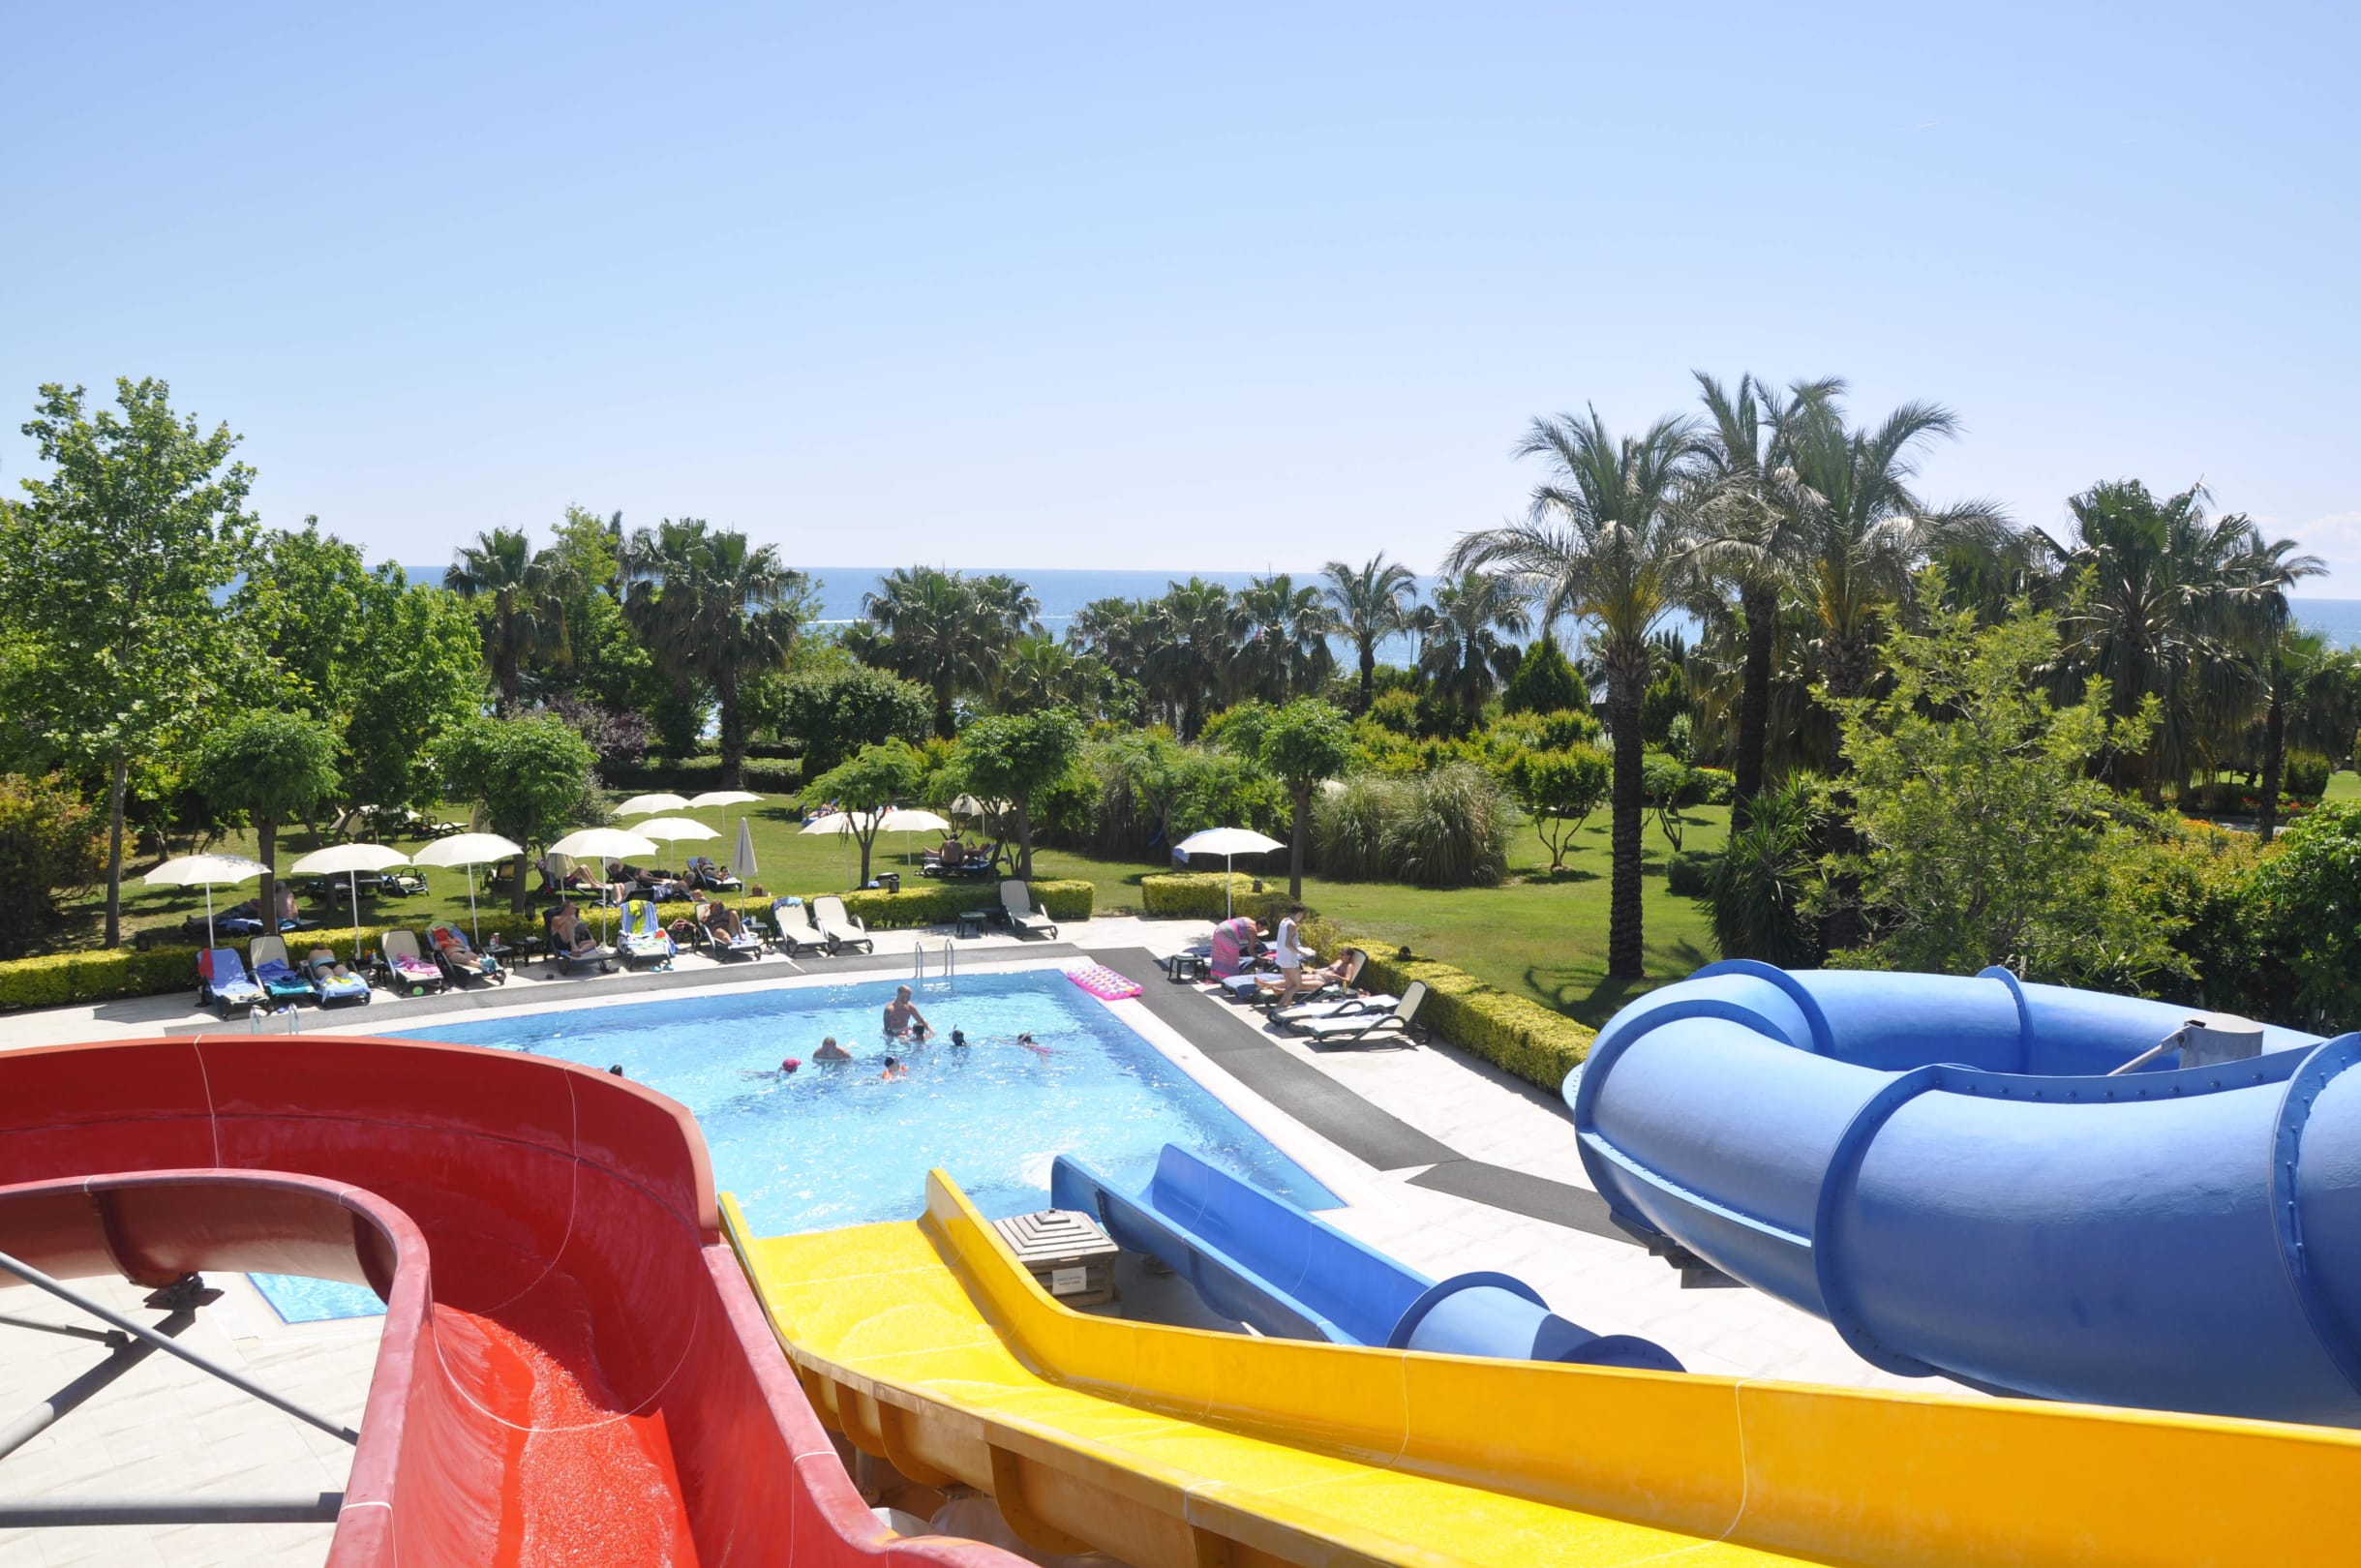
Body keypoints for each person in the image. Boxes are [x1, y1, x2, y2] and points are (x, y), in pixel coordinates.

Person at [1271, 902, 1312, 1005]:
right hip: (1289, 959)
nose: (1301, 918)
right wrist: (1301, 953)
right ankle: (1280, 1005)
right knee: (1297, 985)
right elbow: (1288, 944)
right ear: (1298, 914)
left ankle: (1286, 1003)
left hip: (1281, 957)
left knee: (1289, 985)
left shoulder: (1284, 921)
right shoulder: (1292, 925)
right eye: (1302, 915)